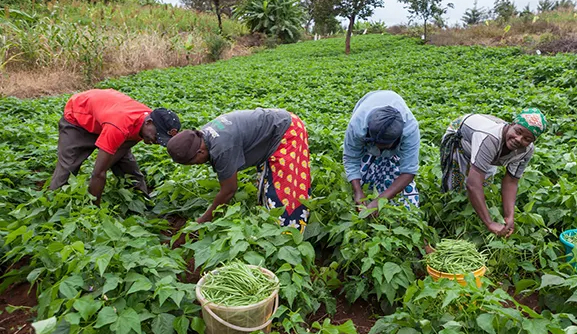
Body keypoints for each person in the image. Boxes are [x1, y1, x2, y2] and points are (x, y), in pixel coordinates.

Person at [166, 109, 311, 230]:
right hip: (273, 128)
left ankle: (289, 236)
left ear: (200, 153)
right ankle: (269, 224)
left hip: (288, 130)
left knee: (284, 191)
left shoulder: (221, 148)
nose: (198, 165)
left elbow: (229, 190)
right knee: (267, 184)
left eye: (194, 163)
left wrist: (204, 219)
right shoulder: (203, 136)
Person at [49, 89, 181, 203]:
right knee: (68, 167)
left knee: (129, 170)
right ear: (149, 122)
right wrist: (95, 210)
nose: (156, 141)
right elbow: (98, 173)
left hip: (106, 116)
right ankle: (55, 202)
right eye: (158, 136)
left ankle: (143, 204)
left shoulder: (147, 124)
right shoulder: (120, 126)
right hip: (79, 117)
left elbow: (121, 151)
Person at [440, 108, 547, 237]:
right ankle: (449, 223)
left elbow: (512, 180)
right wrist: (490, 223)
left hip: (489, 147)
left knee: (484, 187)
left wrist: (509, 216)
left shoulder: (527, 150)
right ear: (511, 125)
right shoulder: (490, 137)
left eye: (527, 138)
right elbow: (473, 185)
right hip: (461, 137)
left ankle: (476, 217)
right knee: (455, 187)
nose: (519, 139)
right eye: (518, 132)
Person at [343, 90, 420, 212]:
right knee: (363, 179)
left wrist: (380, 201)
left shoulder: (410, 130)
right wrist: (358, 191)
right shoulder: (357, 126)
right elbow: (351, 158)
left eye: (384, 145)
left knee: (404, 199)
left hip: (396, 144)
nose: (379, 148)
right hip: (366, 120)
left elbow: (408, 171)